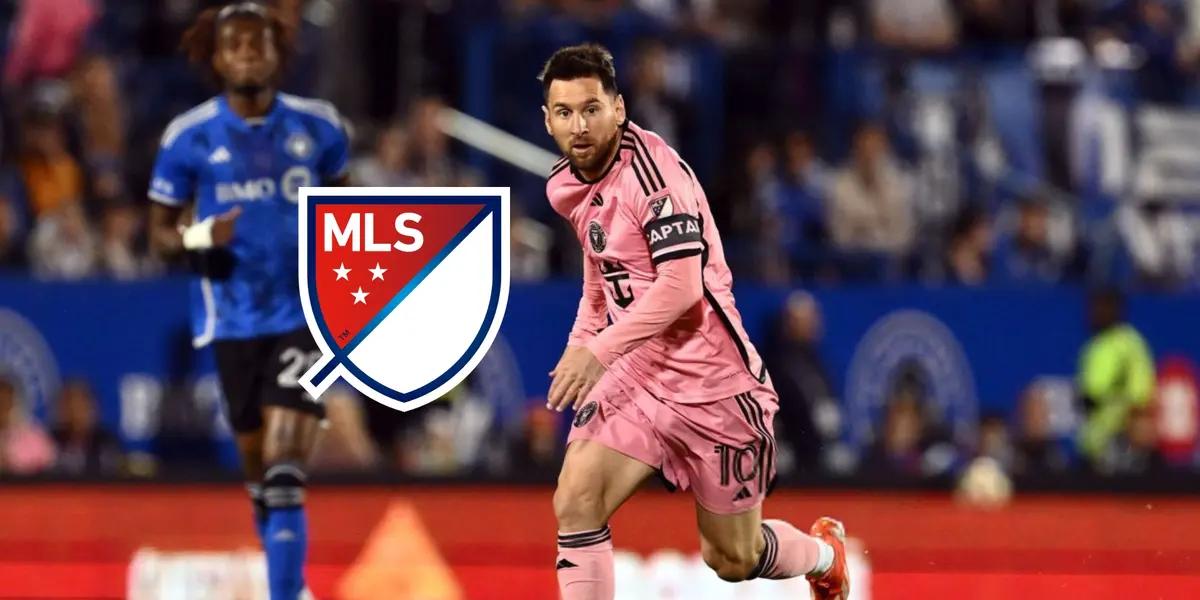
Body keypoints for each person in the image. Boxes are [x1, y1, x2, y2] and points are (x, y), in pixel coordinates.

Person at [539, 45, 849, 600]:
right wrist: (580, 341)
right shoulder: (567, 185)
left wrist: (599, 350)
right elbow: (600, 272)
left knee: (733, 557)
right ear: (547, 119)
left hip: (714, 386)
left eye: (591, 109)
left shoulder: (656, 178)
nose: (579, 125)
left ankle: (824, 555)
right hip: (638, 376)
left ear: (619, 109)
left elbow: (681, 286)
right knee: (575, 497)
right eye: (564, 113)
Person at [146, 4, 349, 598]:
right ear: (215, 57)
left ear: (278, 53)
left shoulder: (321, 128)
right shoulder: (188, 138)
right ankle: (294, 581)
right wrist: (199, 236)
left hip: (307, 316)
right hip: (231, 320)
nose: (246, 54)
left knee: (287, 464)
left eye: (257, 44)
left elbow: (347, 216)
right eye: (233, 45)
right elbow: (158, 235)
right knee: (262, 476)